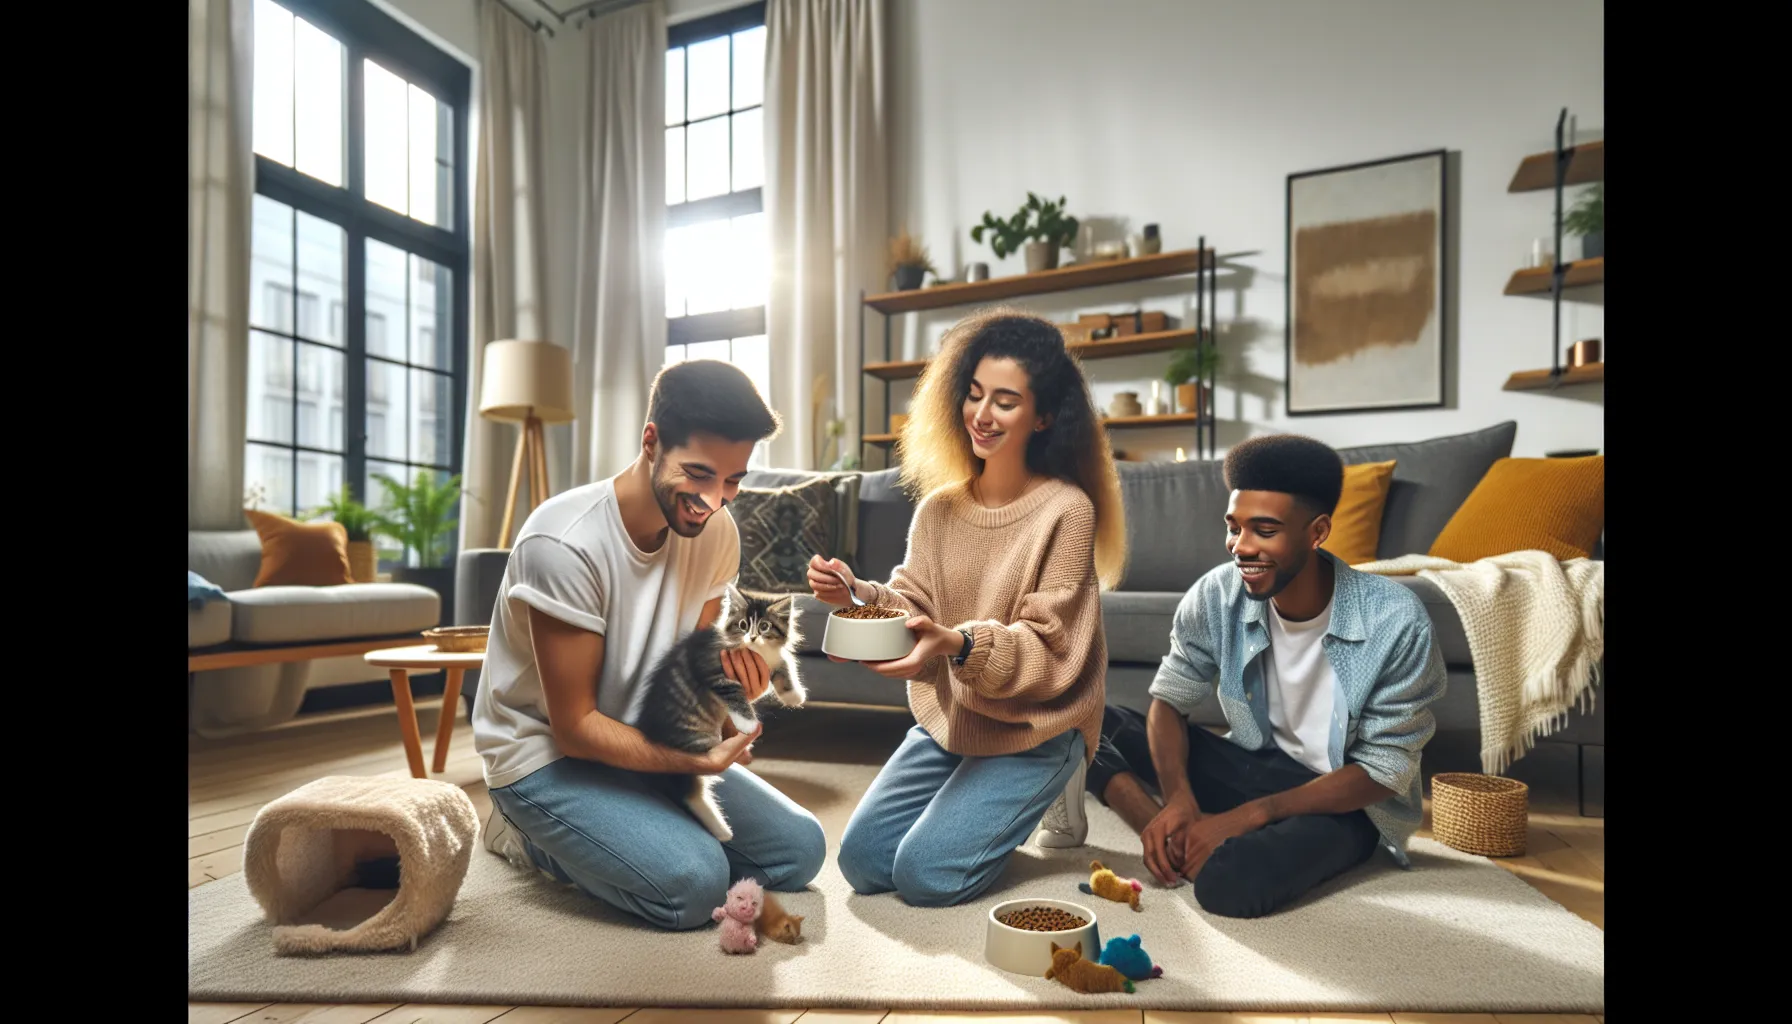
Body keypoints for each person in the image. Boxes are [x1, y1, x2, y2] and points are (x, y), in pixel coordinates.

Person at [471, 359, 827, 931]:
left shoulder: (716, 532)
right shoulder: (565, 542)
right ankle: (523, 835)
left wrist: (733, 708)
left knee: (799, 850)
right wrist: (694, 762)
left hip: (644, 737)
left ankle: (630, 829)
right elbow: (575, 727)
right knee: (695, 886)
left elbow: (691, 675)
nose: (714, 500)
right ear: (651, 441)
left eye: (732, 480)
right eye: (699, 473)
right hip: (545, 757)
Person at [809, 307, 1127, 907]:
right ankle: (984, 802)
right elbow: (914, 602)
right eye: (975, 394)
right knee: (864, 863)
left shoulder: (1067, 510)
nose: (981, 414)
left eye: (1005, 401)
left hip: (1038, 724)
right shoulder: (940, 509)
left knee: (925, 877)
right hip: (957, 718)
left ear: (1043, 416)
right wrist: (858, 593)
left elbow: (1049, 647)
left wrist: (960, 642)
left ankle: (1058, 777)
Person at [1086, 433, 1447, 919]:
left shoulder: (1396, 620)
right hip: (1251, 763)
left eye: (1265, 530)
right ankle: (1163, 827)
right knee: (1086, 720)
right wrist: (1178, 800)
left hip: (1341, 800)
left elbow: (1384, 770)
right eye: (1234, 527)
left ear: (1317, 532)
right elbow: (1169, 702)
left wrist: (1251, 816)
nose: (1241, 547)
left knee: (1229, 884)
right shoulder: (1217, 594)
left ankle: (1202, 843)